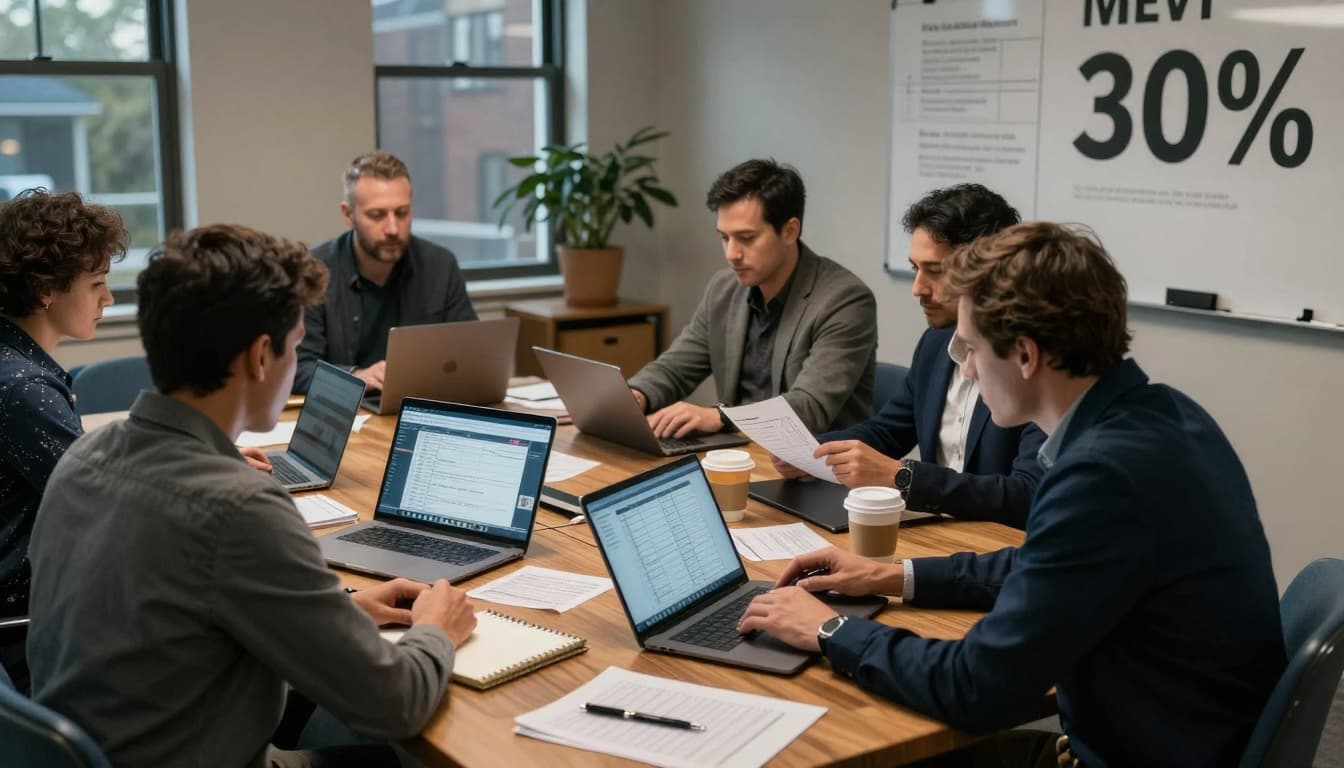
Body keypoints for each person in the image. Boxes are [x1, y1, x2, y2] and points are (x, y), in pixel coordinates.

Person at [738, 222, 1285, 767]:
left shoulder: (1102, 474)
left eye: (972, 349)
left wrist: (830, 629)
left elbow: (976, 687)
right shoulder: (1165, 413)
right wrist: (892, 576)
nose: (968, 368)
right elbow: (1043, 566)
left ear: (1025, 355)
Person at [27, 224, 478, 767]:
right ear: (261, 356)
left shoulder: (83, 458)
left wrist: (342, 612)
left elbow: (170, 621)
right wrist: (437, 630)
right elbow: (395, 705)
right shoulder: (238, 506)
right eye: (295, 347)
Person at [772, 184, 1043, 528]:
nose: (917, 288)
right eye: (915, 268)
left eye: (935, 271)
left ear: (989, 271)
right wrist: (811, 453)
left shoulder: (1031, 361)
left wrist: (904, 477)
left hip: (998, 550)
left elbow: (1026, 494)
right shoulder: (935, 343)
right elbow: (887, 432)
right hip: (938, 535)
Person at [627, 159, 877, 435]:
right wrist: (637, 395)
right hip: (739, 454)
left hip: (815, 466)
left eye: (746, 238)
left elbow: (809, 407)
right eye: (725, 237)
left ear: (790, 231)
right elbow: (675, 368)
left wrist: (720, 417)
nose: (731, 254)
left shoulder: (845, 300)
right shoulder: (723, 289)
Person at [0, 189, 124, 691]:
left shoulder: (14, 363)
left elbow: (81, 463)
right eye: (97, 284)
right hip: (32, 630)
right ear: (47, 289)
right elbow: (111, 505)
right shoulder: (23, 389)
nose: (108, 299)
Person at [295, 150, 477, 394]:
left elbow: (471, 355)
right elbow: (298, 368)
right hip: (350, 413)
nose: (393, 228)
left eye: (402, 213)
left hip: (419, 404)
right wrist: (357, 377)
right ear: (348, 215)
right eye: (377, 215)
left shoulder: (440, 266)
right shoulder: (315, 270)